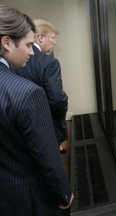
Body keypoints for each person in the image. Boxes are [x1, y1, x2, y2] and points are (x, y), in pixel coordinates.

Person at [0, 5, 73, 215]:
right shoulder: (28, 93)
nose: (32, 52)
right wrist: (64, 192)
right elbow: (47, 158)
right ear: (7, 42)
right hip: (27, 200)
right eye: (28, 44)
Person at [14, 19, 68, 153]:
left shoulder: (12, 60)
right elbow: (57, 99)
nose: (55, 42)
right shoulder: (50, 63)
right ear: (40, 38)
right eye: (53, 38)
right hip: (47, 125)